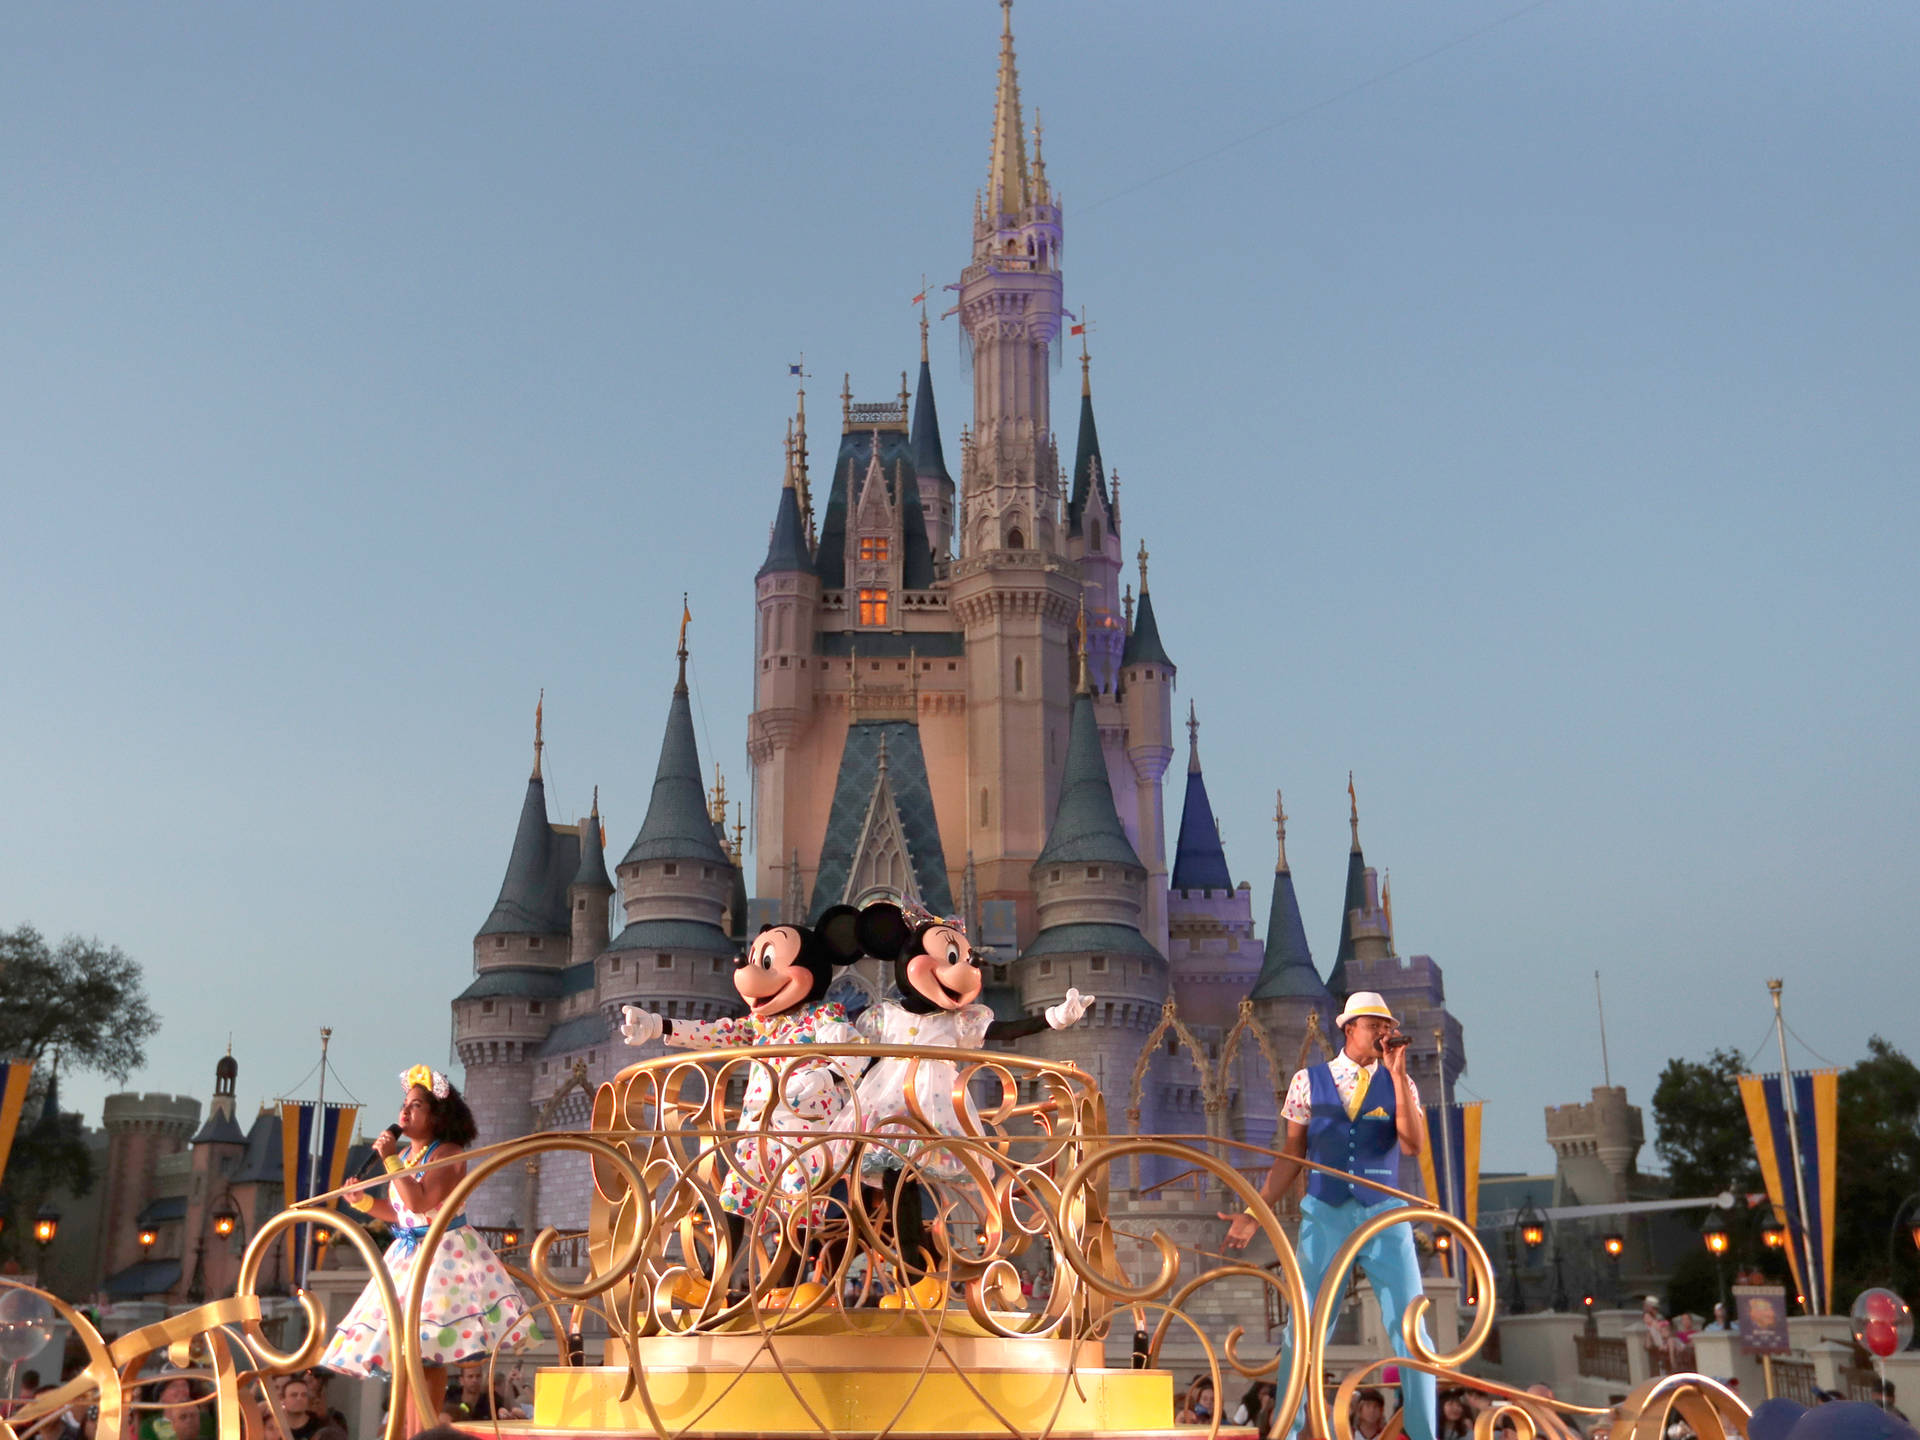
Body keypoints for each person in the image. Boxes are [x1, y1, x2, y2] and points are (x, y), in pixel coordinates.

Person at [1221, 992, 1434, 1440]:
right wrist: (1253, 1212)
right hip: (1326, 1215)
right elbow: (1291, 1154)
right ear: (1348, 1028)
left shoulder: (1403, 1083)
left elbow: (1413, 1146)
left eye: (1387, 1026)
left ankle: (1423, 1433)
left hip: (1385, 1216)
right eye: (1373, 1024)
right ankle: (1289, 1430)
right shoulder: (1307, 1081)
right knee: (1305, 1327)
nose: (1383, 1033)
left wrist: (1396, 1076)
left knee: (1412, 1328)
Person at [322, 1066, 534, 1434]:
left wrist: (389, 1160)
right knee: (405, 1356)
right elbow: (402, 1213)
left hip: (442, 1258)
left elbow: (421, 1203)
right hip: (407, 1256)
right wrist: (362, 1203)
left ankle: (423, 1430)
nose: (404, 1113)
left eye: (416, 1106)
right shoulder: (405, 1156)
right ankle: (403, 1430)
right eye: (405, 1105)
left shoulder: (448, 1154)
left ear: (438, 1114)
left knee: (427, 1354)